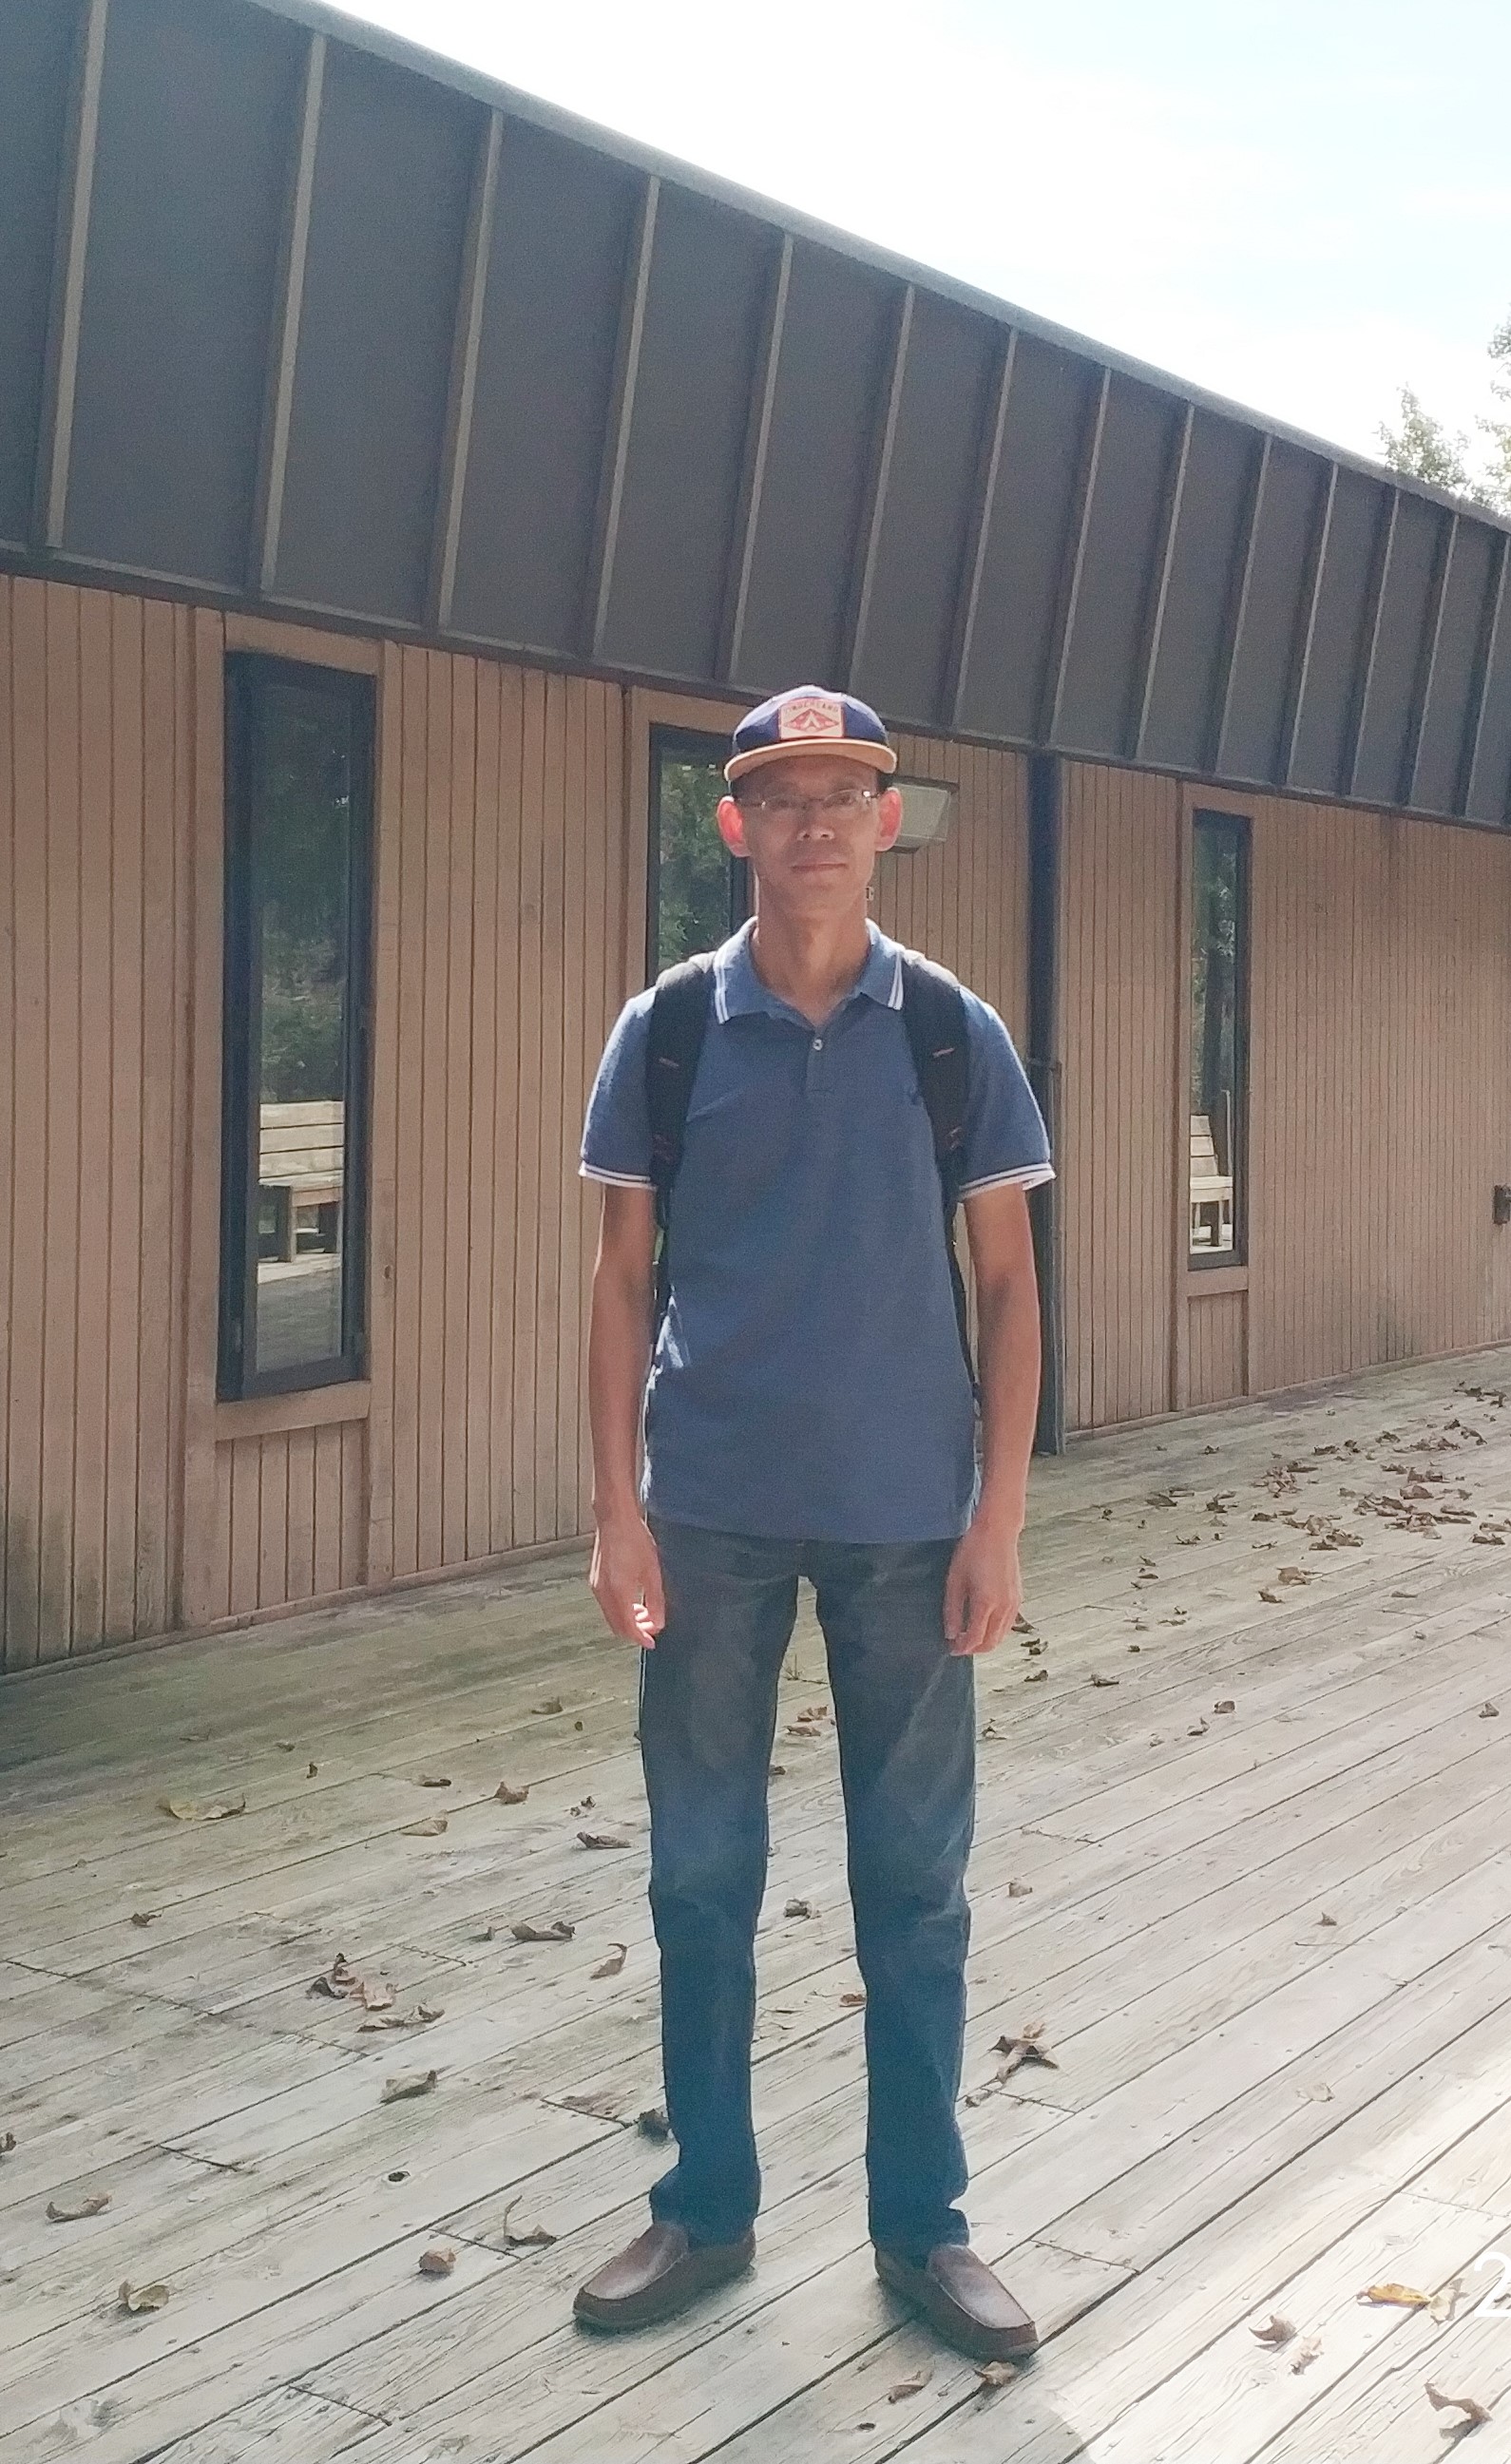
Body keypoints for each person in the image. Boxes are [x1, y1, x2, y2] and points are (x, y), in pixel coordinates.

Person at [572, 685, 1051, 2362]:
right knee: (700, 1872)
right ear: (735, 826)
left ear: (886, 821)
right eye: (781, 798)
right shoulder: (667, 1028)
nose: (815, 823)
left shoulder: (951, 1033)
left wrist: (997, 1516)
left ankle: (924, 2228)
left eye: (844, 795)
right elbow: (620, 1279)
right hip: (704, 1516)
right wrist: (615, 1511)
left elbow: (1008, 1285)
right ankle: (704, 2204)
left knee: (913, 1885)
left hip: (907, 1522)